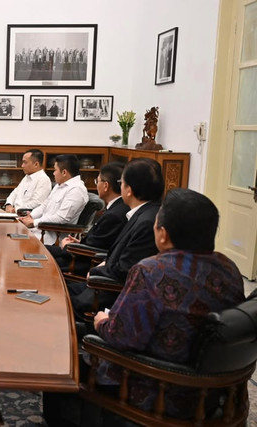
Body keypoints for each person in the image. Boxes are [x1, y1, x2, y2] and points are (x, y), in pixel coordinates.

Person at [44, 189, 245, 426]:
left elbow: (122, 337)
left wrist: (101, 322)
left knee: (62, 359)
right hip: (213, 392)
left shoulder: (151, 271)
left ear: (163, 234)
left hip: (155, 385)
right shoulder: (229, 268)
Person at [69, 158, 164, 314]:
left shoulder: (147, 223)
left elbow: (126, 270)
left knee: (55, 301)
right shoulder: (142, 213)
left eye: (122, 183)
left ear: (128, 190)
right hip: (100, 284)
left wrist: (95, 272)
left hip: (107, 295)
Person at [46, 162, 129, 275]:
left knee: (39, 260)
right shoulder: (118, 207)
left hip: (80, 262)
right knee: (38, 249)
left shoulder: (114, 215)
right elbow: (98, 242)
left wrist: (68, 247)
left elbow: (99, 249)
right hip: (79, 251)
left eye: (97, 181)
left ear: (106, 186)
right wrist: (79, 243)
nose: (96, 185)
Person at [18, 154, 88, 245]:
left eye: (55, 170)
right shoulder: (60, 185)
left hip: (52, 239)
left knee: (15, 243)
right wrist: (31, 216)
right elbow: (44, 206)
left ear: (64, 172)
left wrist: (34, 222)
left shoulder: (77, 190)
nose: (53, 173)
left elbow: (62, 218)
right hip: (40, 231)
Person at [3, 149, 51, 213]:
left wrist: (16, 209)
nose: (22, 165)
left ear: (36, 164)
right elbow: (15, 193)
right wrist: (8, 204)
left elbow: (37, 203)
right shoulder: (27, 177)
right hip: (16, 214)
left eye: (25, 162)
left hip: (26, 217)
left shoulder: (43, 180)